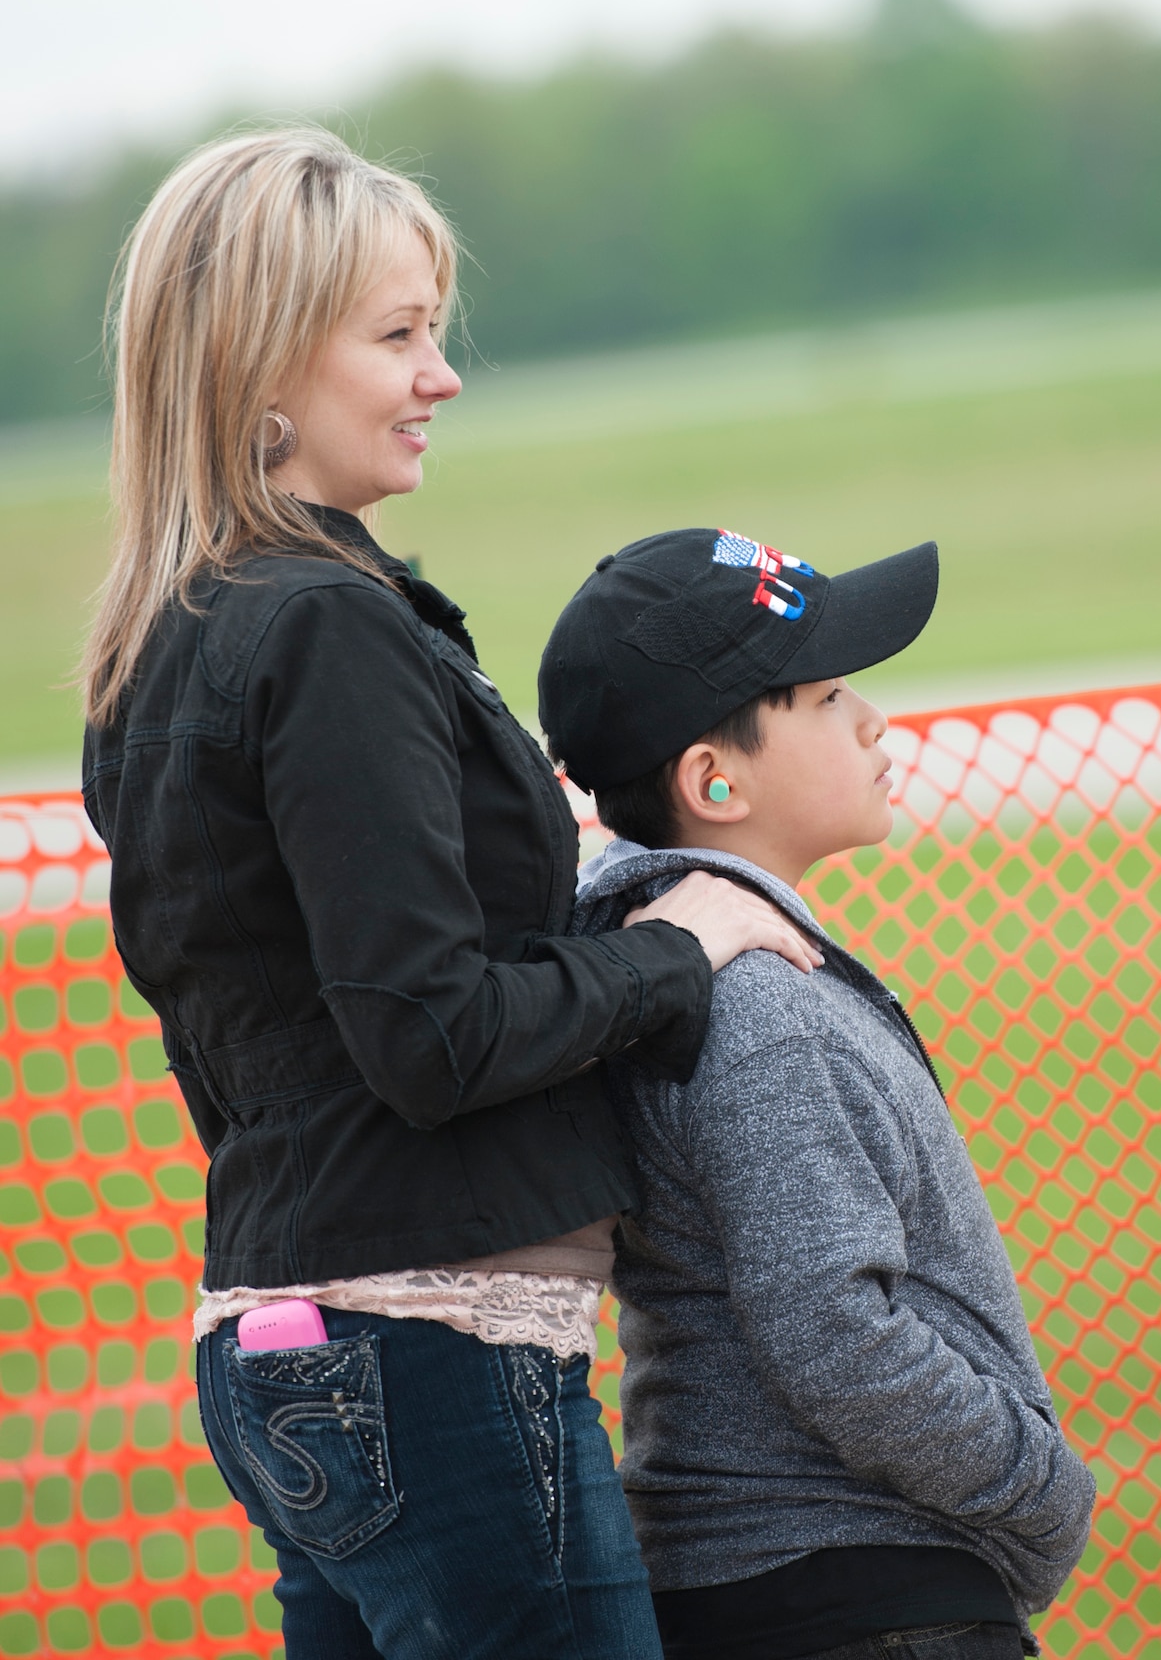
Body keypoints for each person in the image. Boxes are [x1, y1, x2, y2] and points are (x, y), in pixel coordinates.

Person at [79, 133, 821, 1660]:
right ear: (263, 362)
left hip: (282, 1339)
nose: (442, 375)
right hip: (429, 1357)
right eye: (400, 335)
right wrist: (677, 944)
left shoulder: (162, 643)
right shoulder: (326, 632)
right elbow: (432, 1032)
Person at [538, 527, 1097, 1660]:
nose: (872, 719)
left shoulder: (704, 972)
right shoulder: (757, 1009)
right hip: (853, 1601)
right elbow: (835, 1331)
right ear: (715, 778)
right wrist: (1040, 1486)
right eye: (830, 693)